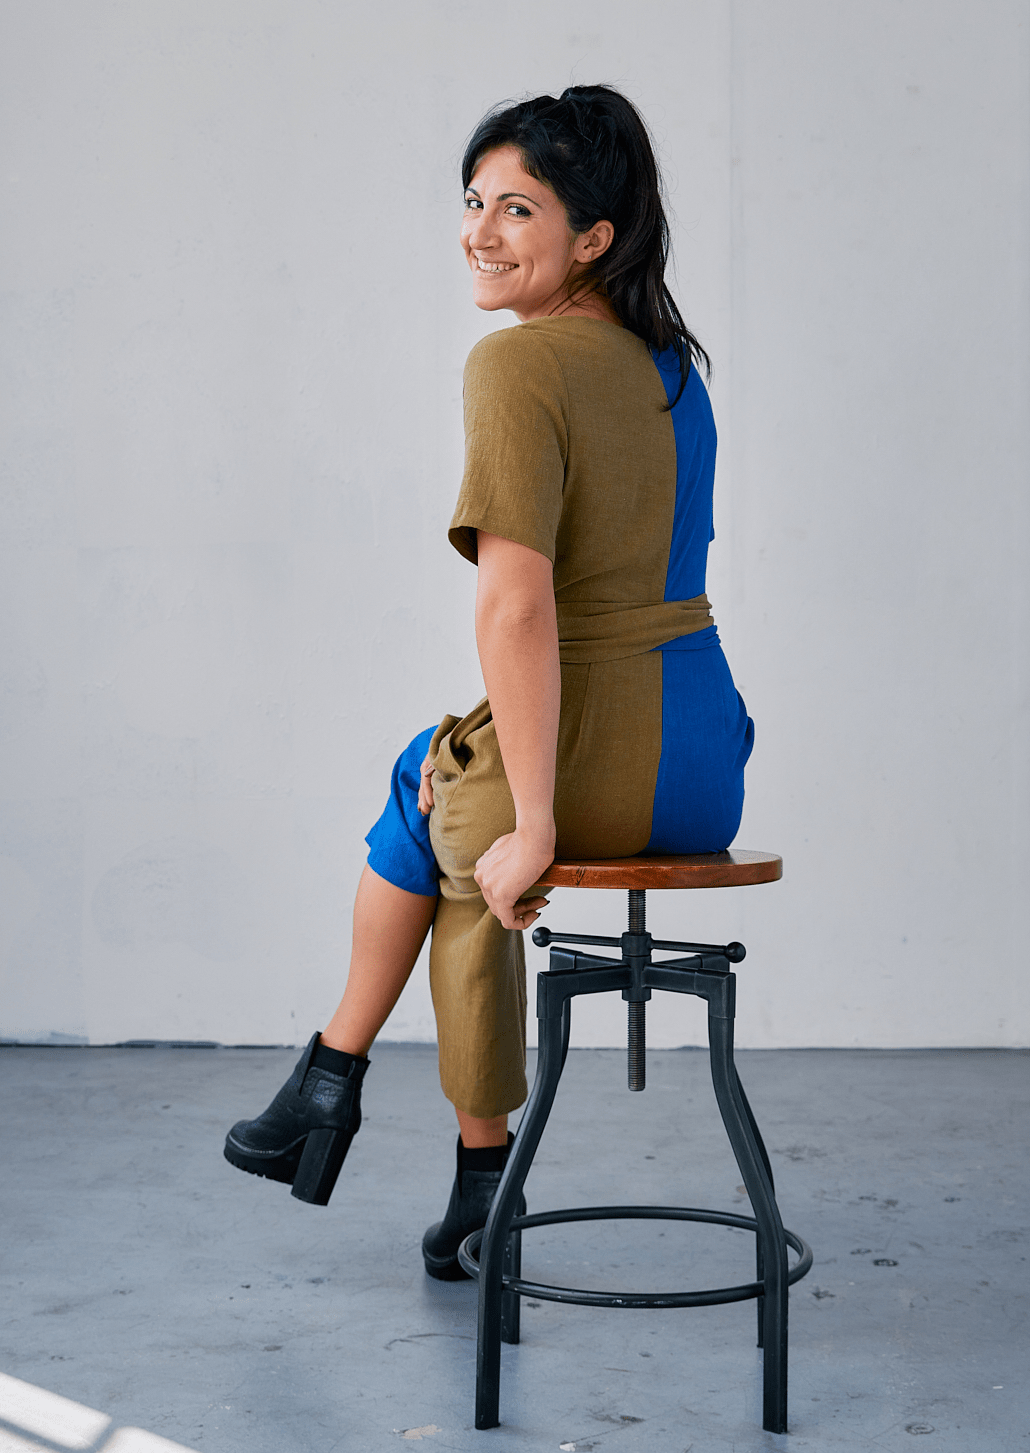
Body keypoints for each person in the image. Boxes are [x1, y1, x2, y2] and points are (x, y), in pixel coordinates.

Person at [223, 85, 754, 1278]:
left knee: (456, 825)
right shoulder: (673, 368)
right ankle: (337, 1089)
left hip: (600, 755)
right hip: (705, 760)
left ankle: (422, 1139)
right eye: (474, 201)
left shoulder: (519, 364)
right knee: (439, 778)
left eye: (519, 209)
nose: (480, 230)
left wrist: (540, 822)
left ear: (592, 236)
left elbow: (517, 605)